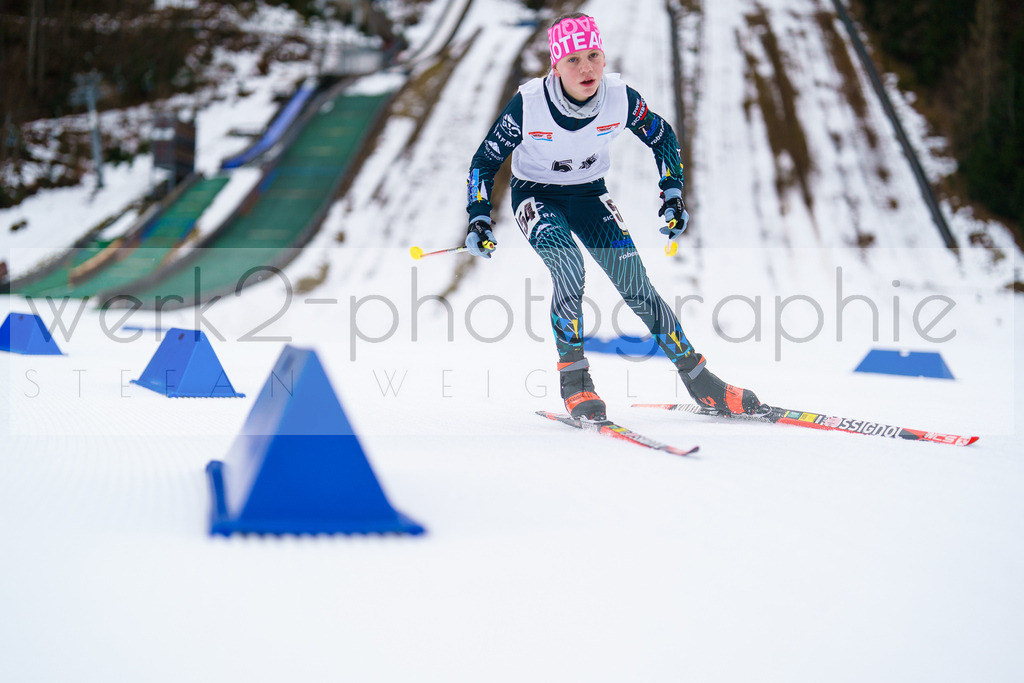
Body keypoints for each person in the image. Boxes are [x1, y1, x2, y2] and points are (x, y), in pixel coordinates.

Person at [463, 12, 762, 420]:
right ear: (556, 67)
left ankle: (700, 381)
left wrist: (672, 193)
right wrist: (479, 217)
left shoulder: (620, 98)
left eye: (594, 55)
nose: (586, 67)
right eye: (573, 60)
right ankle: (575, 382)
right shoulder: (530, 104)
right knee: (569, 267)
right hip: (536, 196)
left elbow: (663, 136)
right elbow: (484, 161)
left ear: (604, 57)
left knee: (635, 283)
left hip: (589, 195)